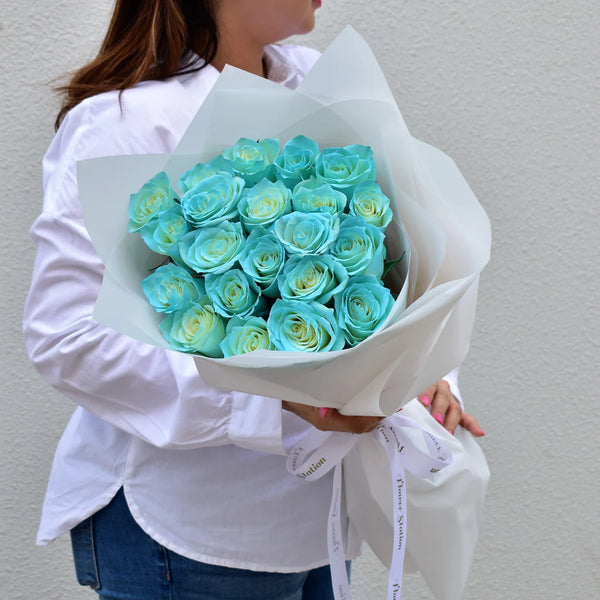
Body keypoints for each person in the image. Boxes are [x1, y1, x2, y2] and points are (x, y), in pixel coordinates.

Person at [23, 1, 484, 598]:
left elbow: (400, 257)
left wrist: (419, 374)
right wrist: (279, 402)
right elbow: (68, 338)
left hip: (318, 528)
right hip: (188, 537)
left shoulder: (317, 82)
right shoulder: (124, 120)